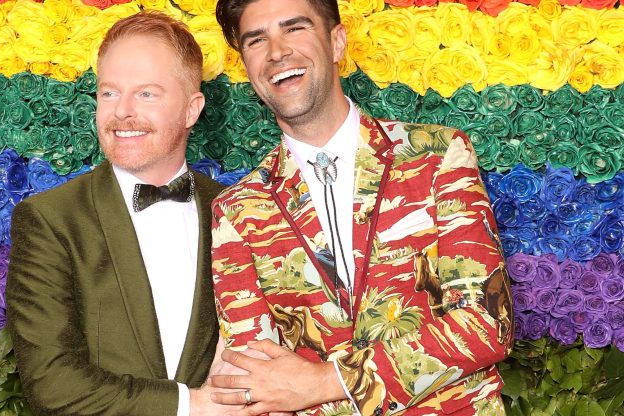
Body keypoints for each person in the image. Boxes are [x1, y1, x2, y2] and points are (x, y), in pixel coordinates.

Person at [207, 0, 514, 415]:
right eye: (256, 40)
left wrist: (326, 381)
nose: (276, 51)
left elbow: (486, 323)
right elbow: (256, 378)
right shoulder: (236, 211)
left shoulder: (437, 156)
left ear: (336, 42)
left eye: (294, 28)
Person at [6, 12, 237, 415]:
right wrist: (192, 406)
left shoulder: (237, 211)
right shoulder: (49, 219)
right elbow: (52, 383)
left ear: (191, 109)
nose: (122, 112)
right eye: (109, 93)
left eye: (146, 94)